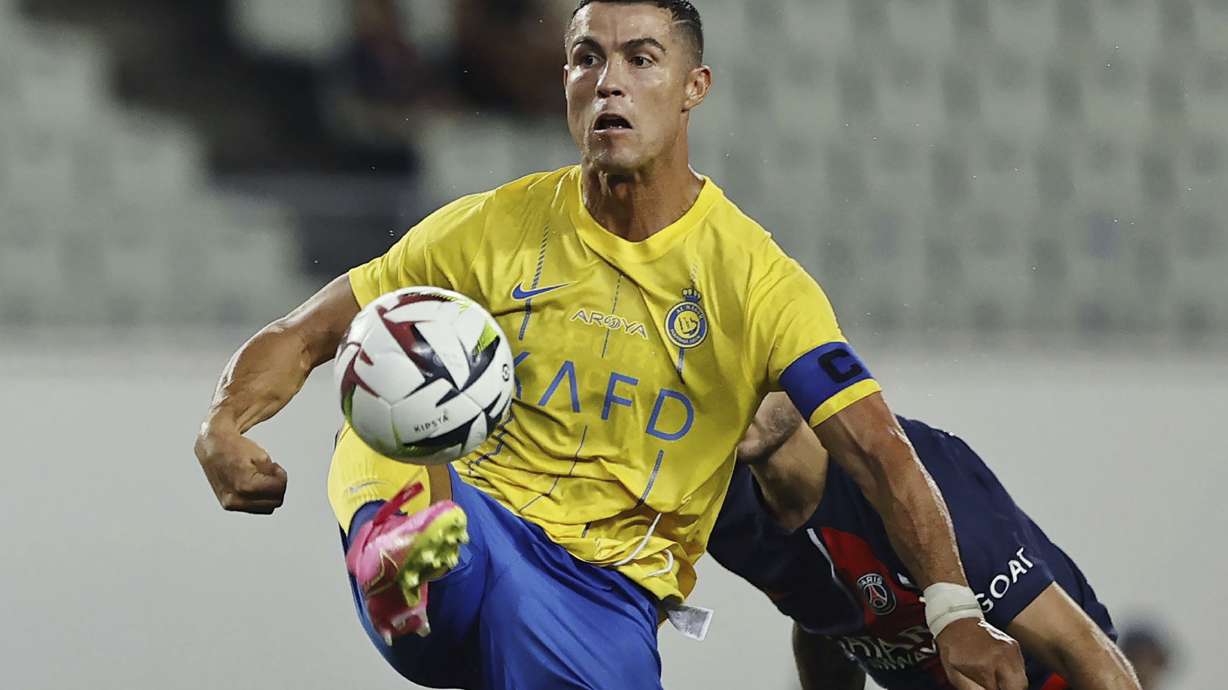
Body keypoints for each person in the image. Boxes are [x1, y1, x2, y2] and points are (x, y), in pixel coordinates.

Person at [193, 1, 1026, 688]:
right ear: (565, 83)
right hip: (472, 514)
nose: (609, 82)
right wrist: (222, 426)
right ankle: (405, 552)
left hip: (601, 588)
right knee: (397, 393)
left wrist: (955, 612)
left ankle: (415, 556)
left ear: (694, 87)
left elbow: (879, 450)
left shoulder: (758, 284)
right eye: (587, 58)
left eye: (641, 59)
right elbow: (306, 333)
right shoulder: (494, 228)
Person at [709, 394, 1141, 690]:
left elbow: (1083, 649)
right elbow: (822, 618)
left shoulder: (918, 485)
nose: (739, 387)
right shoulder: (724, 514)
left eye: (754, 363)